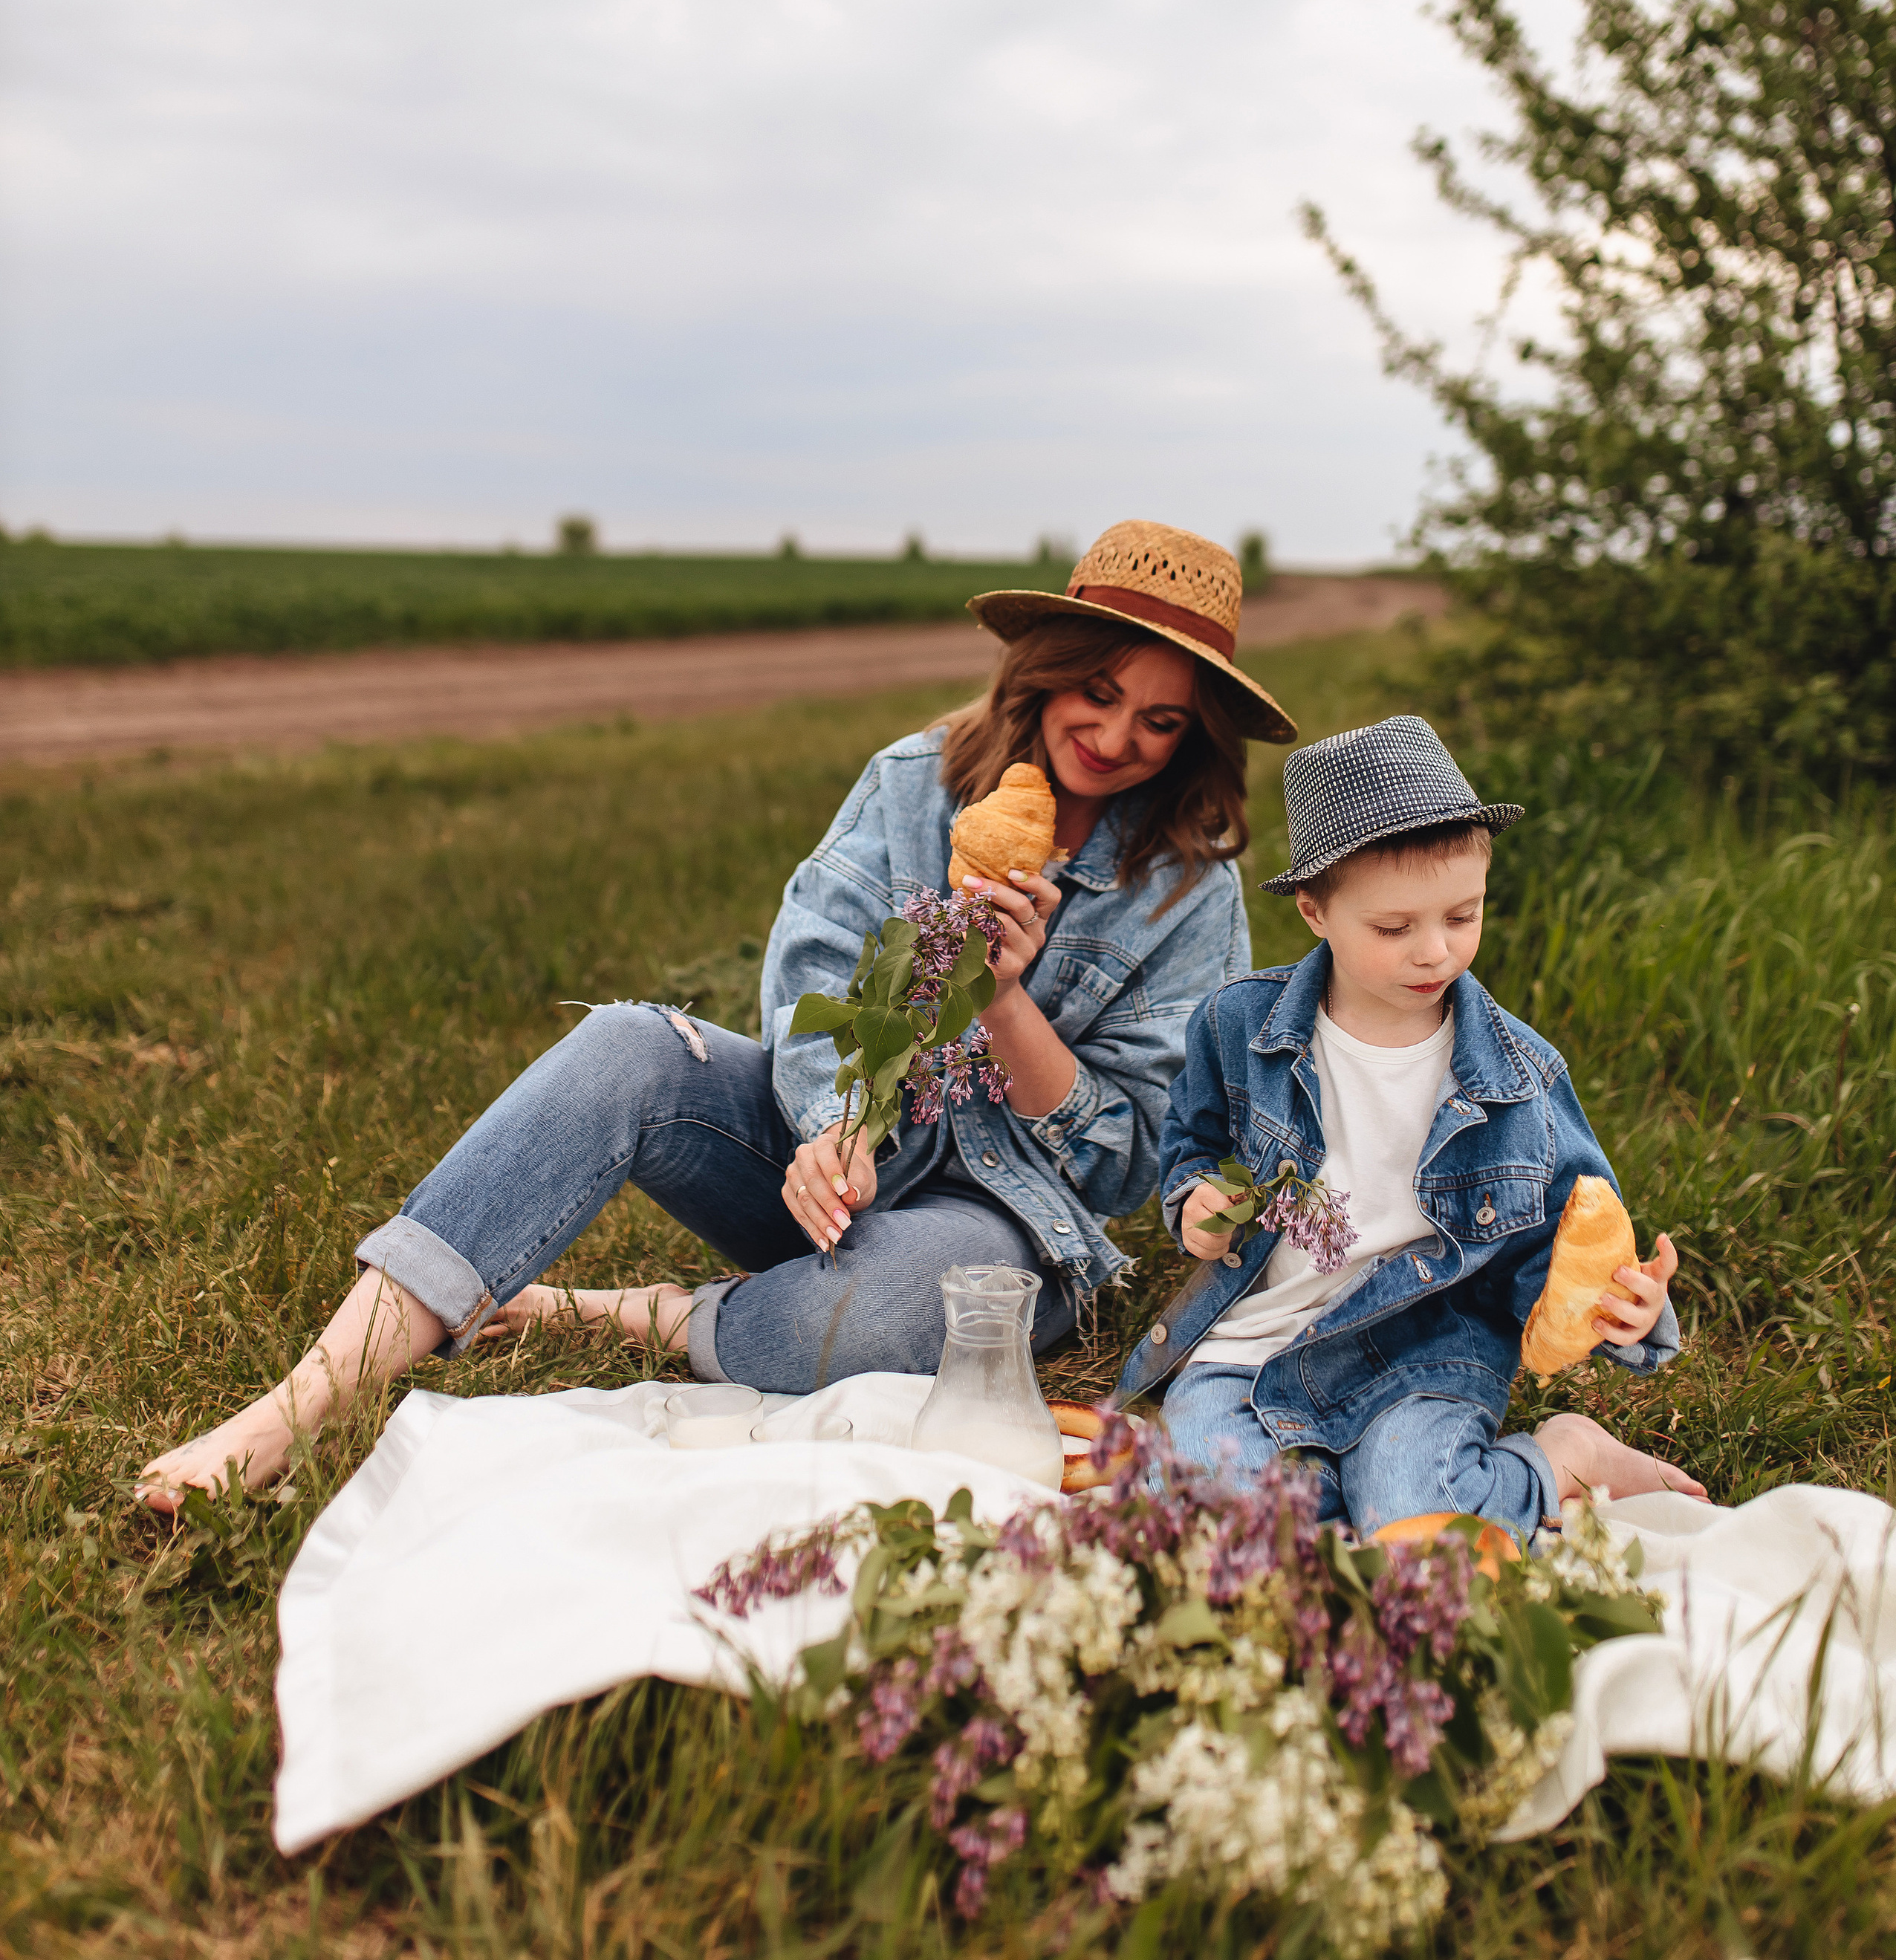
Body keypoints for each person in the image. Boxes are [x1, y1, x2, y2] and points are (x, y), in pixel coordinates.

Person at [138, 520, 1294, 1511]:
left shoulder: (1187, 887)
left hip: (997, 1222)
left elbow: (1124, 1161)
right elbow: (812, 981)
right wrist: (840, 1124)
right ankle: (304, 1400)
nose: (1116, 739)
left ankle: (643, 1315)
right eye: (1100, 693)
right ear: (1047, 669)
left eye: (1161, 722)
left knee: (897, 1309)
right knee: (628, 1045)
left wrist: (995, 1000)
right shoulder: (914, 784)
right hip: (834, 1170)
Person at [1117, 714, 1707, 1536]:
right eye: (1393, 929)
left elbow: (1569, 1239)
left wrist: (1629, 1312)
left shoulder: (1517, 1077)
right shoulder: (1237, 1026)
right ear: (1315, 911)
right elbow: (1195, 1146)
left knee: (1413, 1526)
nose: (1434, 952)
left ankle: (1557, 1458)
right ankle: (1326, 1478)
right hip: (1252, 1340)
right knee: (1214, 1523)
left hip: (1425, 1351)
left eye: (1460, 917)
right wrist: (1197, 1206)